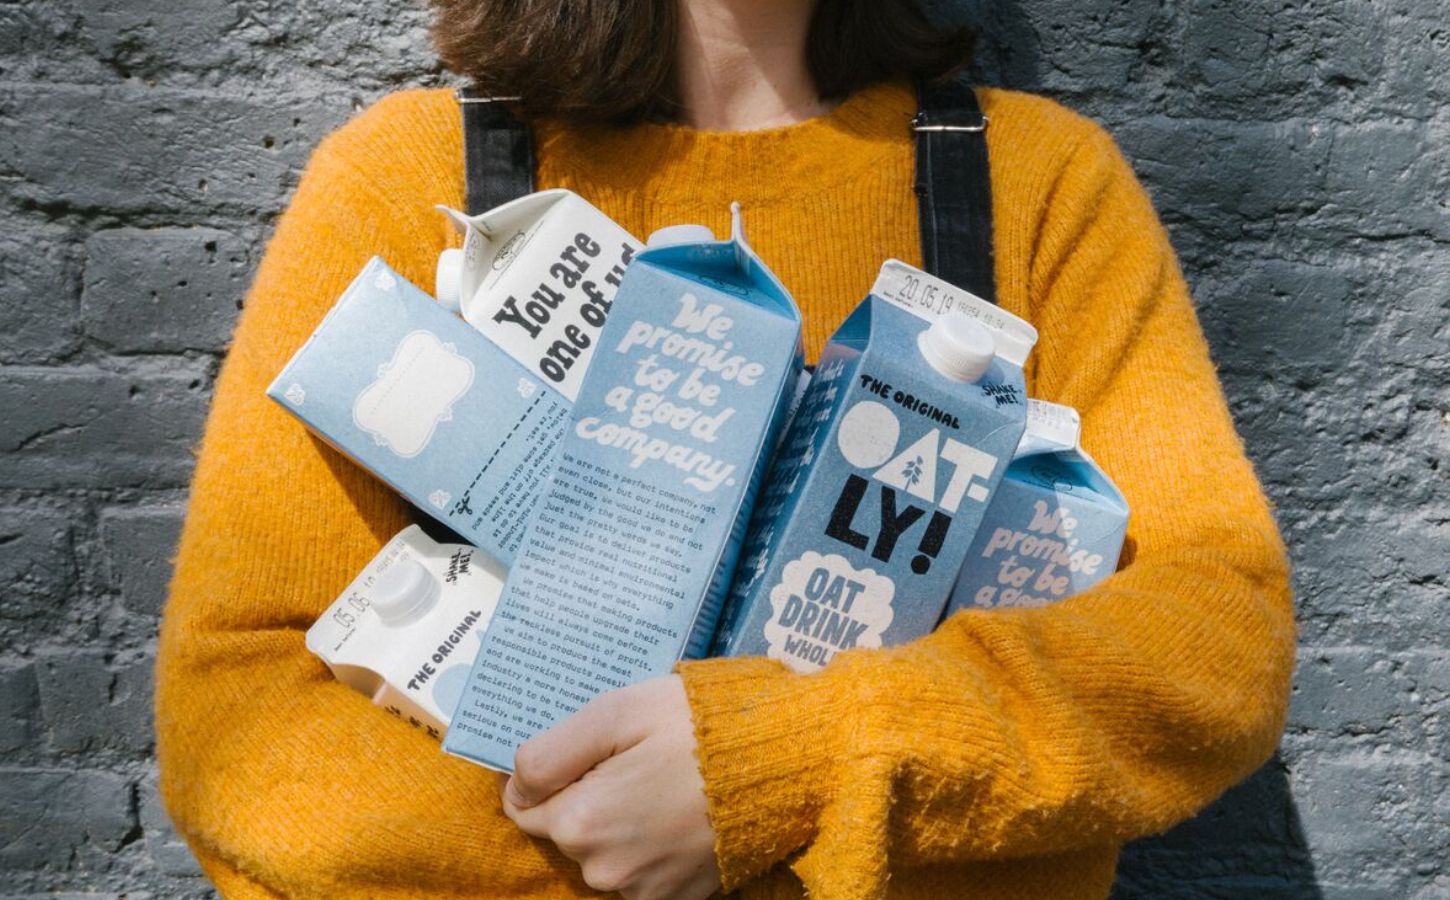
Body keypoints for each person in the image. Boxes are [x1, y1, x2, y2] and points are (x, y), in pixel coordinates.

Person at [154, 0, 1296, 898]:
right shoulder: (408, 184)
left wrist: (788, 767)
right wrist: (626, 839)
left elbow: (1214, 634)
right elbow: (237, 716)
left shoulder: (1035, 185)